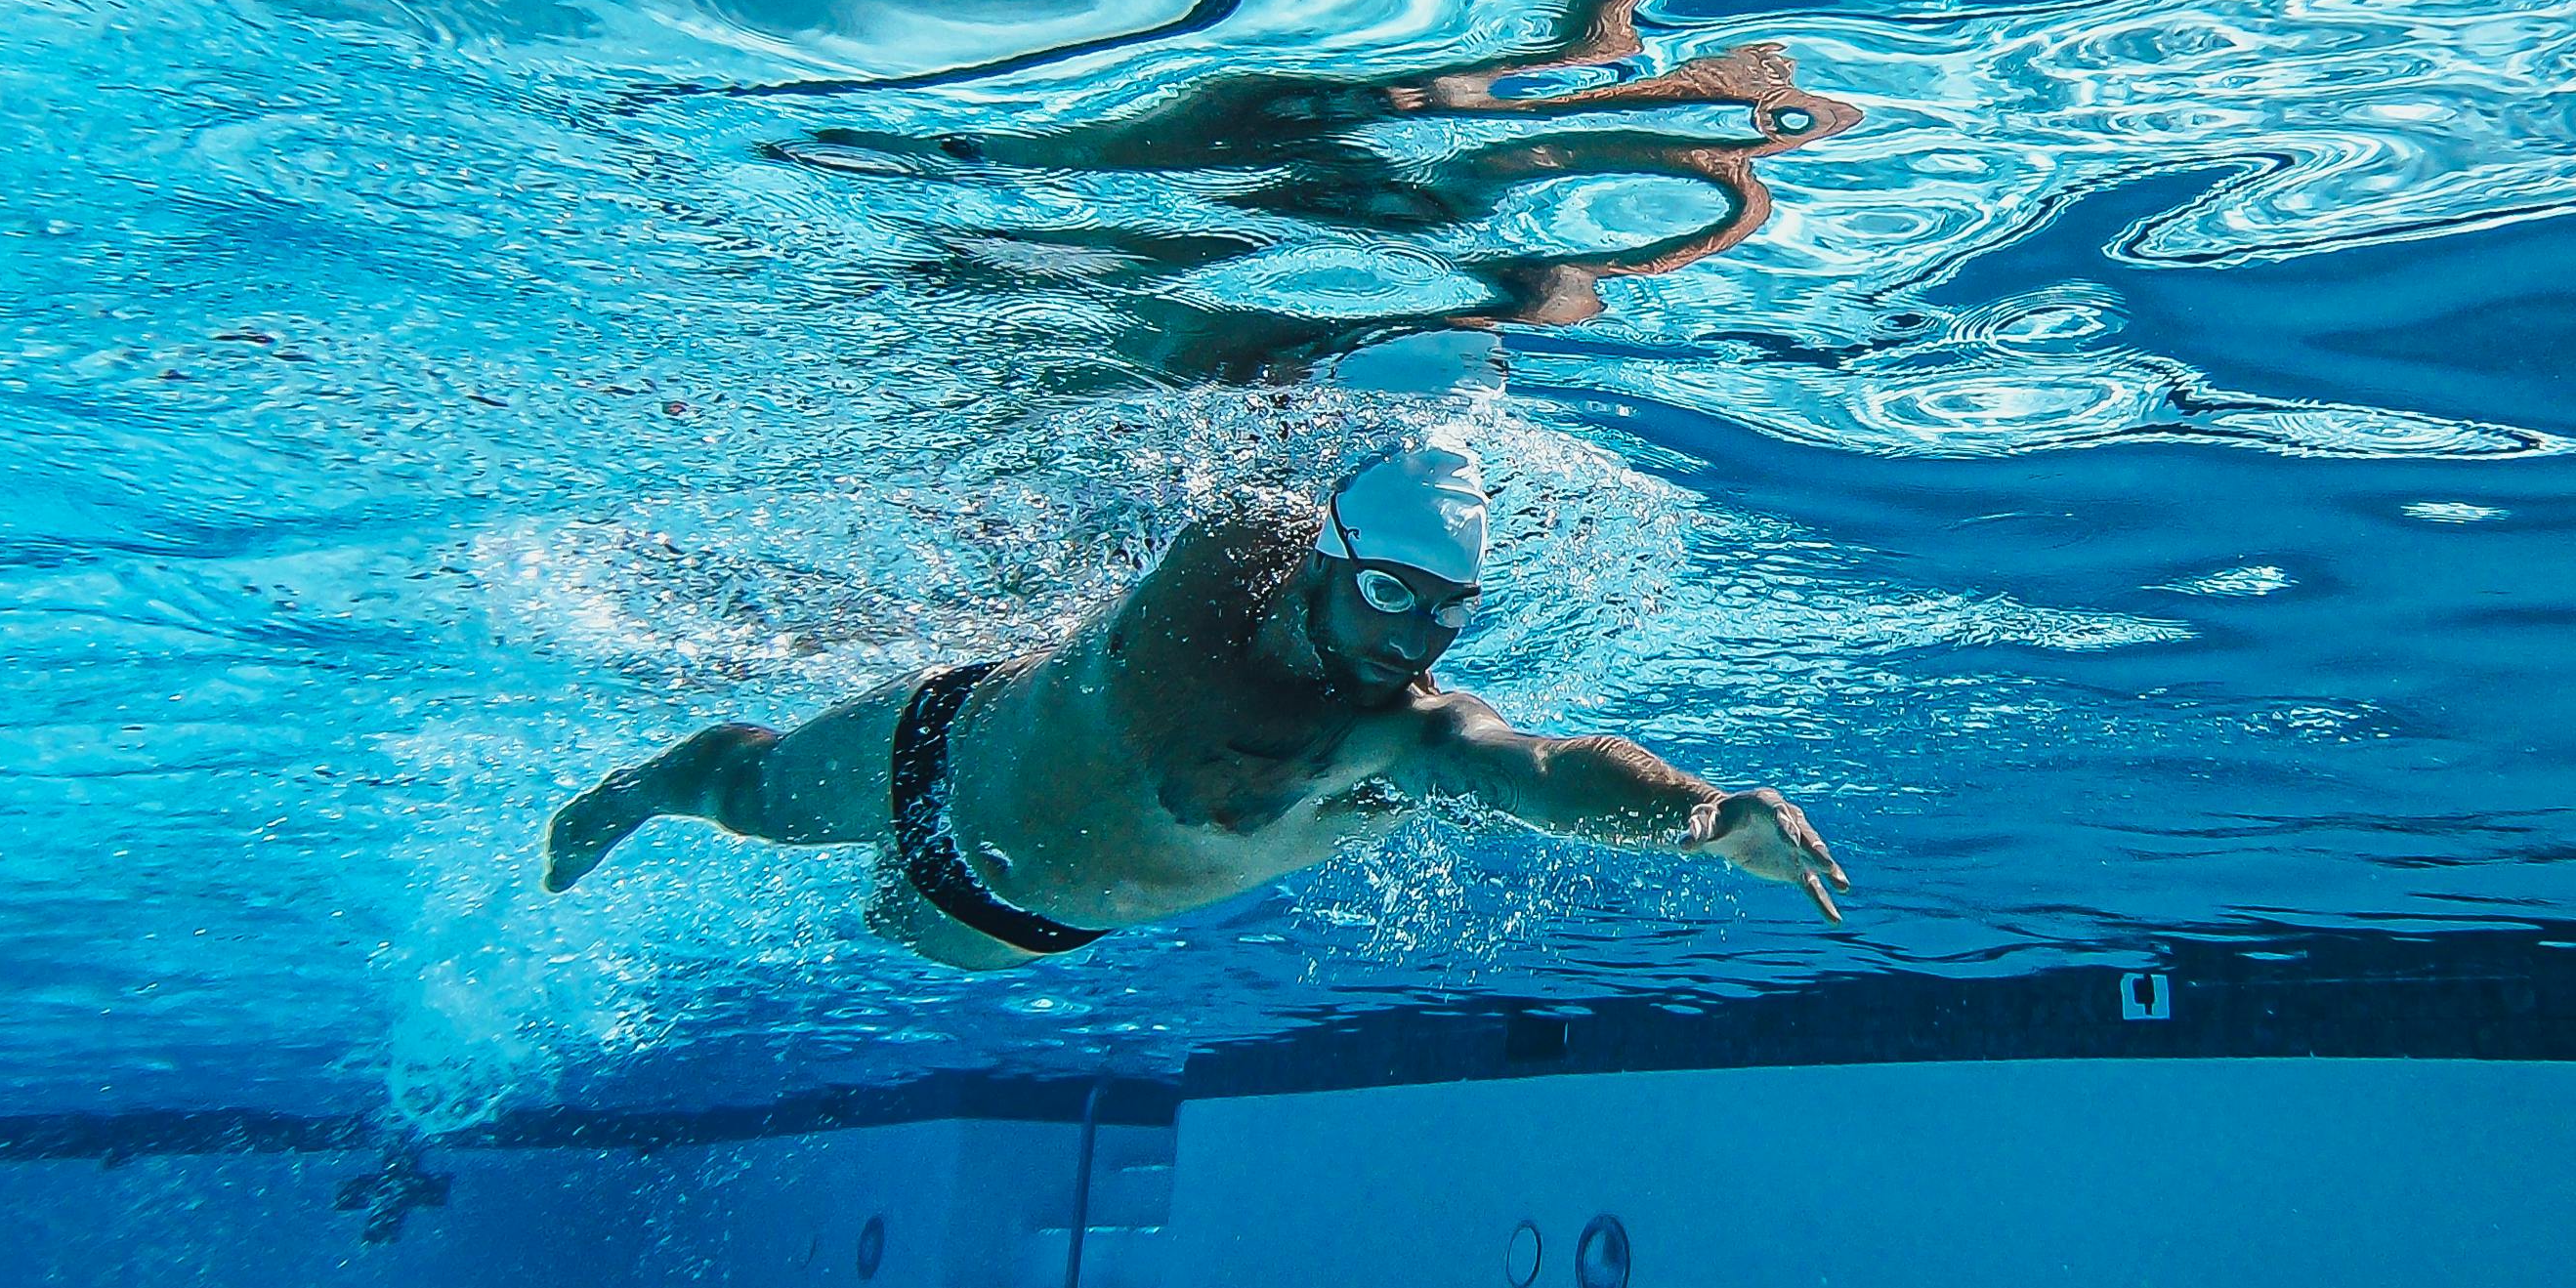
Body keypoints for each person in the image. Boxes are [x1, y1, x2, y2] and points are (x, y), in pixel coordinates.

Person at [539, 438, 1849, 968]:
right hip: (936, 744)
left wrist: (1703, 814)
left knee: (880, 922)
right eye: (1395, 599)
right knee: (748, 795)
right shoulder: (1220, 558)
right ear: (1323, 562)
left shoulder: (1399, 731)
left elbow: (1542, 770)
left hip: (1008, 914)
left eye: (1449, 615)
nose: (1420, 640)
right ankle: (643, 787)